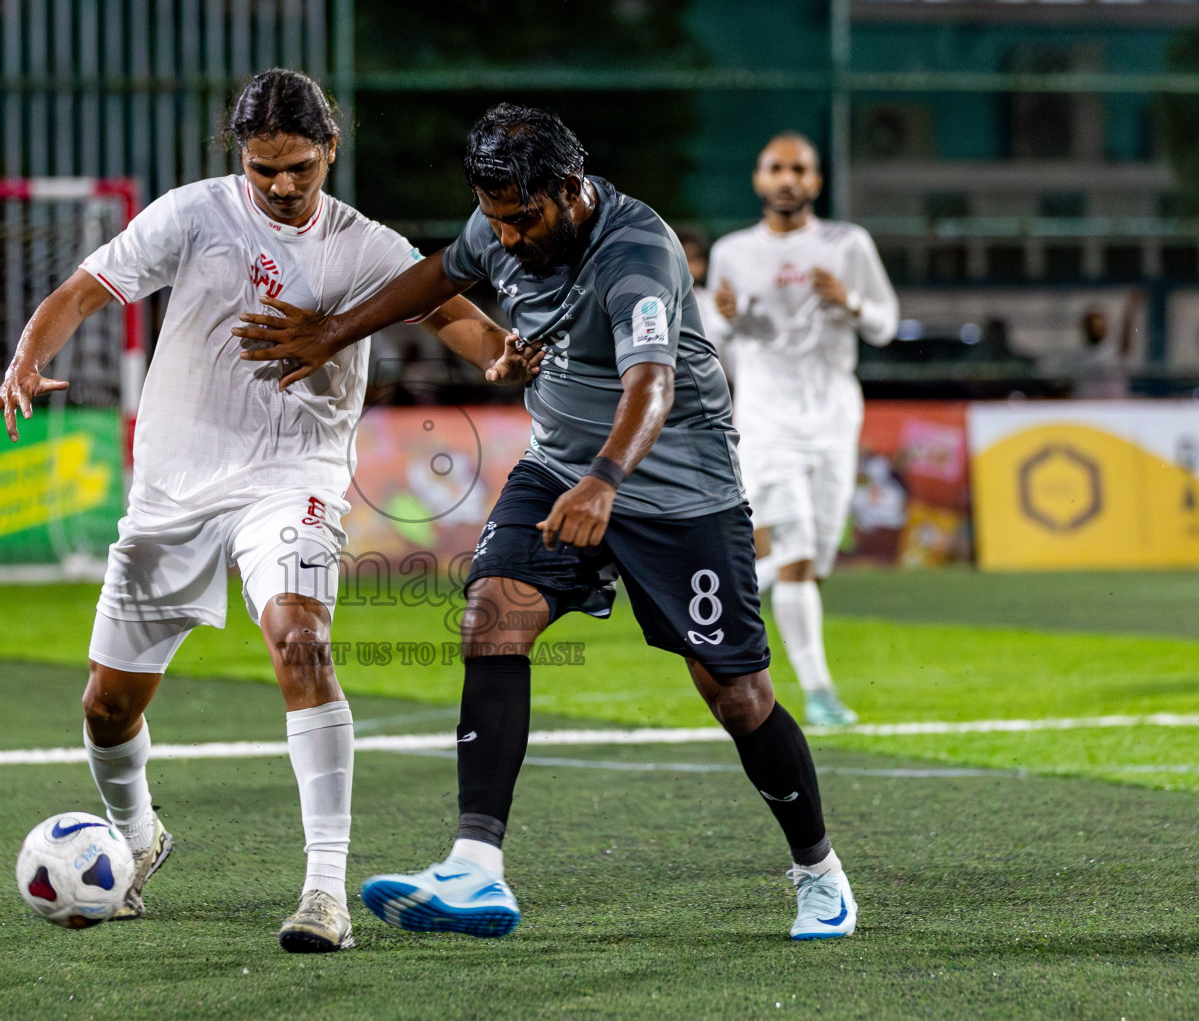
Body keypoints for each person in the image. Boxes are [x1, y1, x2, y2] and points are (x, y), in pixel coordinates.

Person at [233, 104, 858, 942]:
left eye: (522, 220)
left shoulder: (637, 254)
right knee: (493, 616)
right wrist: (335, 332)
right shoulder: (505, 216)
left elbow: (652, 389)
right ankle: (475, 865)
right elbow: (441, 274)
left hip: (676, 491)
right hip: (560, 466)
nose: (508, 237)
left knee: (738, 696)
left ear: (569, 190)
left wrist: (605, 481)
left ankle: (820, 873)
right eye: (496, 220)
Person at [0, 69, 528, 953]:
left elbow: (456, 315)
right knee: (106, 711)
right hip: (174, 490)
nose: (281, 184)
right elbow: (82, 292)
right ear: (241, 155)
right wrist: (23, 361)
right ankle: (137, 836)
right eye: (264, 166)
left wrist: (507, 354)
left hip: (292, 479)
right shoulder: (193, 215)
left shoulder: (364, 245)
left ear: (330, 152)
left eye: (300, 168)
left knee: (300, 640)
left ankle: (324, 892)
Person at [700, 131, 899, 728]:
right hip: (767, 417)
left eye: (800, 169)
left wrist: (852, 303)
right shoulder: (734, 251)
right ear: (759, 179)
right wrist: (727, 320)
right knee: (799, 552)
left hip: (835, 414)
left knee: (812, 561)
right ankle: (820, 693)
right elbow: (714, 338)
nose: (788, 178)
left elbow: (887, 324)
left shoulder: (848, 244)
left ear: (816, 180)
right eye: (776, 168)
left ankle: (722, 598)